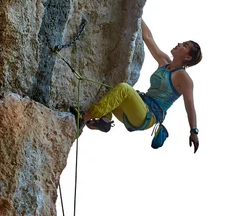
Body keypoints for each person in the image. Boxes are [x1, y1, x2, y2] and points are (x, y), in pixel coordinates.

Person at [80, 19, 202, 152]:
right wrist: (139, 12)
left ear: (187, 57)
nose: (179, 44)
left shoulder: (184, 78)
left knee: (124, 89)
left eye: (184, 45)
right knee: (109, 87)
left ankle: (85, 116)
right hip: (133, 111)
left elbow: (189, 106)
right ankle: (105, 121)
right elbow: (148, 37)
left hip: (147, 116)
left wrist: (193, 131)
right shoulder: (164, 61)